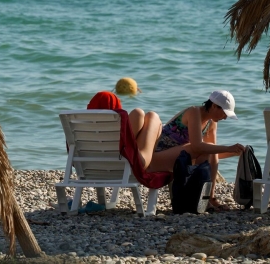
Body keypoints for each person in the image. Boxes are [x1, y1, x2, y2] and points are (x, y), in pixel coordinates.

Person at [90, 87, 245, 212]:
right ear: (214, 106)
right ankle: (202, 198)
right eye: (224, 112)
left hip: (173, 158)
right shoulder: (194, 112)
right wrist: (228, 147)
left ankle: (208, 198)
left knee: (210, 151)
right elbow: (197, 146)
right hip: (155, 157)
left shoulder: (212, 123)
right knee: (201, 147)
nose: (225, 117)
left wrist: (234, 152)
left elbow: (212, 155)